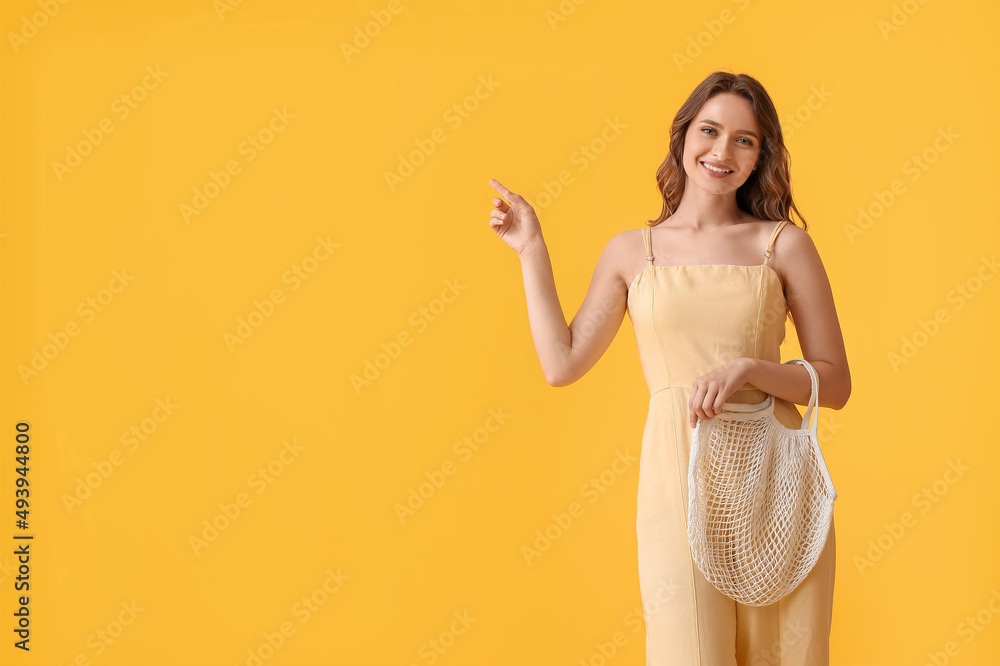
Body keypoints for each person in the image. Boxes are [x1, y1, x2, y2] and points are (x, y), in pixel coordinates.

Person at [486, 70, 851, 665]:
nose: (722, 151)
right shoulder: (633, 253)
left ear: (761, 157)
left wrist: (751, 370)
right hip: (675, 479)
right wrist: (531, 248)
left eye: (744, 140)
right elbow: (562, 363)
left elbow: (834, 382)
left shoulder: (783, 245)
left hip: (774, 482)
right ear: (683, 137)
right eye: (709, 131)